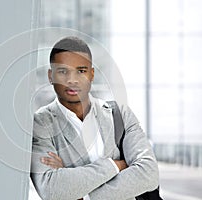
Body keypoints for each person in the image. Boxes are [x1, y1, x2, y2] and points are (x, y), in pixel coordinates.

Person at [30, 36, 159, 200]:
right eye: (63, 71)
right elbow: (52, 190)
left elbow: (149, 174)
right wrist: (115, 165)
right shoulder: (40, 124)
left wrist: (82, 195)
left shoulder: (120, 115)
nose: (72, 80)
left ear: (91, 74)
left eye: (81, 71)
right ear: (50, 76)